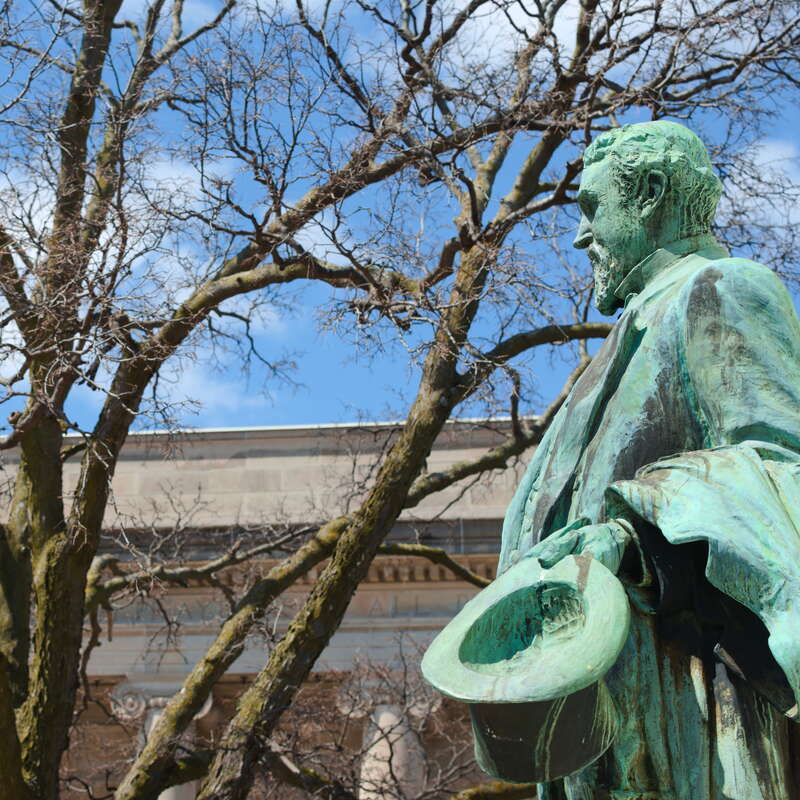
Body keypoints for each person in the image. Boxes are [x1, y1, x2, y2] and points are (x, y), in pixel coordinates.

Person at [425, 121, 800, 800]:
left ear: (651, 193)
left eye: (592, 208)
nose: (578, 236)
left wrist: (631, 534)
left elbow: (781, 463)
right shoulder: (620, 342)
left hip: (685, 692)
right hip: (601, 700)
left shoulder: (724, 288)